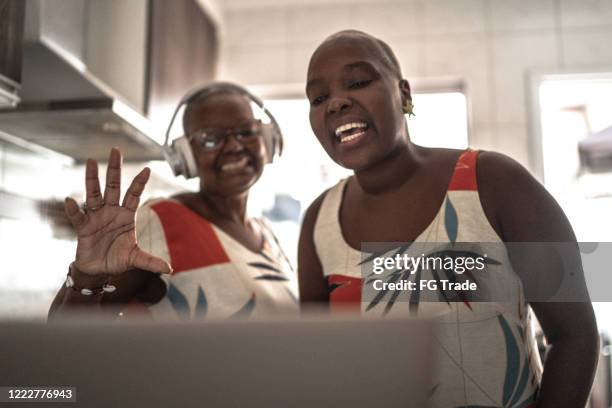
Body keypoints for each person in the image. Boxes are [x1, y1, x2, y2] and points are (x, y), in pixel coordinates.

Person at [298, 30, 598, 407]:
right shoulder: (318, 220)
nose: (336, 103)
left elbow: (575, 336)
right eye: (318, 98)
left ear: (404, 95)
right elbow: (315, 361)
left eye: (357, 82)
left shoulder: (495, 182)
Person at [49, 83, 297, 321]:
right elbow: (66, 340)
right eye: (210, 139)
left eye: (246, 131)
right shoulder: (160, 220)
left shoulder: (268, 236)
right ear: (185, 156)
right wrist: (86, 279)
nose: (234, 146)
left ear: (266, 138)